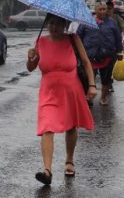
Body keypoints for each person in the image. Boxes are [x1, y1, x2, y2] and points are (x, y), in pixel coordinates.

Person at [27, 14, 96, 185]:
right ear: (46, 24)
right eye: (50, 23)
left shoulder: (73, 39)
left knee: (71, 126)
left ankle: (69, 160)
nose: (54, 27)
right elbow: (30, 68)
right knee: (47, 127)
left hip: (71, 90)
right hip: (48, 91)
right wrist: (31, 58)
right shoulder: (41, 42)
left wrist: (92, 85)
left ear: (64, 25)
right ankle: (47, 171)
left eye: (58, 24)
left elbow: (86, 63)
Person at [77, 2, 123, 106]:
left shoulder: (112, 23)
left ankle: (103, 97)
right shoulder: (87, 21)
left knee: (106, 79)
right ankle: (89, 98)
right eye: (100, 9)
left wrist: (119, 52)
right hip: (90, 56)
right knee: (89, 78)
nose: (103, 11)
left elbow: (118, 38)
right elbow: (78, 36)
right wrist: (78, 53)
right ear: (95, 10)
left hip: (107, 56)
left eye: (104, 9)